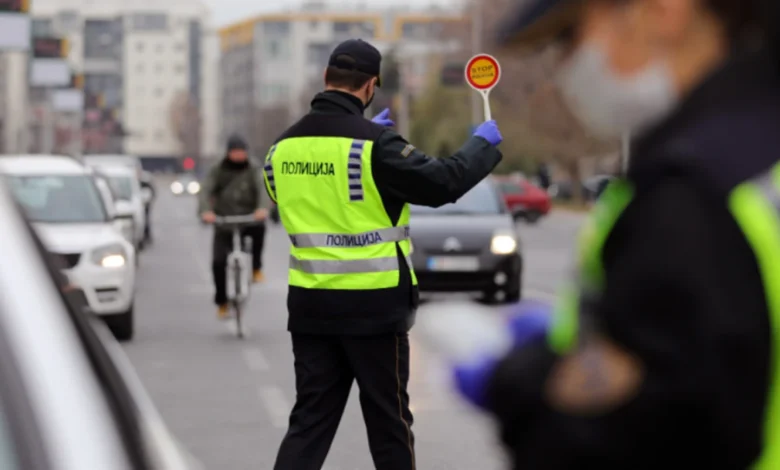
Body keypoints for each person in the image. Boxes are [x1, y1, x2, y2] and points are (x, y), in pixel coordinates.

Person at [447, 0, 780, 468]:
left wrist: (522, 388)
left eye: (570, 38)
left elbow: (647, 435)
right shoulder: (752, 156)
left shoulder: (687, 195)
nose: (564, 68)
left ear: (663, 11)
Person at [264, 38, 504, 470]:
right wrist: (481, 145)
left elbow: (295, 195)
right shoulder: (375, 145)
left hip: (311, 307)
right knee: (388, 424)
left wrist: (362, 142)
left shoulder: (280, 149)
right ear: (371, 86)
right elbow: (442, 182)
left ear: (326, 78)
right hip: (373, 308)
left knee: (310, 422)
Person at [198, 135, 269, 319]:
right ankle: (222, 302)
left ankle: (256, 268)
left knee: (260, 230)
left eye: (241, 151)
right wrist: (206, 211)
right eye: (235, 152)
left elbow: (262, 189)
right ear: (228, 153)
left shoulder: (253, 169)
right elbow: (205, 190)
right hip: (224, 222)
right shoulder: (218, 170)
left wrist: (262, 208)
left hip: (248, 219)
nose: (239, 155)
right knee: (218, 262)